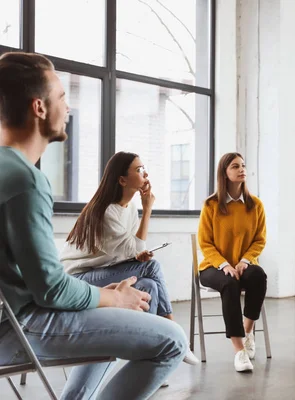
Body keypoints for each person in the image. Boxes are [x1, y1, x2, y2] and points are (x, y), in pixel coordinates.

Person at [0, 51, 187, 400]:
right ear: (39, 107)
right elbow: (51, 291)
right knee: (172, 341)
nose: (67, 107)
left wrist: (106, 299)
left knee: (110, 317)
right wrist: (111, 297)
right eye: (61, 97)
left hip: (14, 316)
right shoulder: (26, 180)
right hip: (21, 326)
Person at [60, 151, 199, 367]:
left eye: (143, 168)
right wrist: (149, 208)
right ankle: (176, 334)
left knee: (149, 286)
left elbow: (128, 248)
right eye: (138, 169)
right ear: (122, 180)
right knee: (152, 267)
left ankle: (147, 358)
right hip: (79, 278)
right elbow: (135, 244)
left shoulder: (130, 208)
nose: (145, 173)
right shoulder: (107, 211)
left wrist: (137, 256)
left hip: (103, 269)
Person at [197, 152, 267, 372]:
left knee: (258, 275)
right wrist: (224, 265)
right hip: (213, 267)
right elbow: (205, 243)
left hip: (243, 265)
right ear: (224, 173)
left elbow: (259, 239)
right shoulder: (211, 205)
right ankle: (239, 351)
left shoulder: (255, 205)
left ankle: (248, 332)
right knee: (230, 282)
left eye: (243, 165)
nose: (241, 169)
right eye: (235, 166)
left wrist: (246, 261)